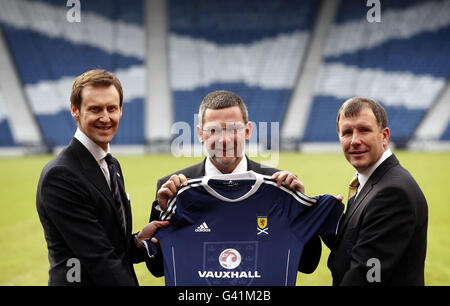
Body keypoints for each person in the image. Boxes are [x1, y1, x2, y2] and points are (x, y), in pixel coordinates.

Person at [146, 90, 322, 277]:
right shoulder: (173, 188)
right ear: (200, 134)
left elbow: (308, 264)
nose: (224, 140)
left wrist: (301, 209)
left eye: (233, 129)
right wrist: (163, 211)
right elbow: (157, 269)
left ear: (247, 131)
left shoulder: (279, 186)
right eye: (213, 130)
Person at [36, 69, 167, 286]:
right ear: (75, 110)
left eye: (111, 108)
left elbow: (112, 245)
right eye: (95, 109)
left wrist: (137, 241)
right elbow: (100, 259)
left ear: (121, 110)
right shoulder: (61, 175)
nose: (105, 118)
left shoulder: (111, 164)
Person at [326, 96, 428, 285]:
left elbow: (366, 276)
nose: (355, 141)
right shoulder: (372, 181)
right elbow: (357, 243)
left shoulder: (392, 194)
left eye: (364, 130)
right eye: (347, 132)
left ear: (384, 136)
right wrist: (317, 211)